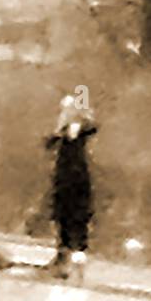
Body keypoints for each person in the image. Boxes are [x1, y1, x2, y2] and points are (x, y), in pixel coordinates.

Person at [45, 95, 97, 279]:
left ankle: (74, 256)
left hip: (74, 181)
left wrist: (79, 122)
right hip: (64, 181)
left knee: (76, 217)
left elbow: (91, 126)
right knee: (64, 218)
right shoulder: (61, 136)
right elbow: (48, 142)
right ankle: (64, 255)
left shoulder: (81, 131)